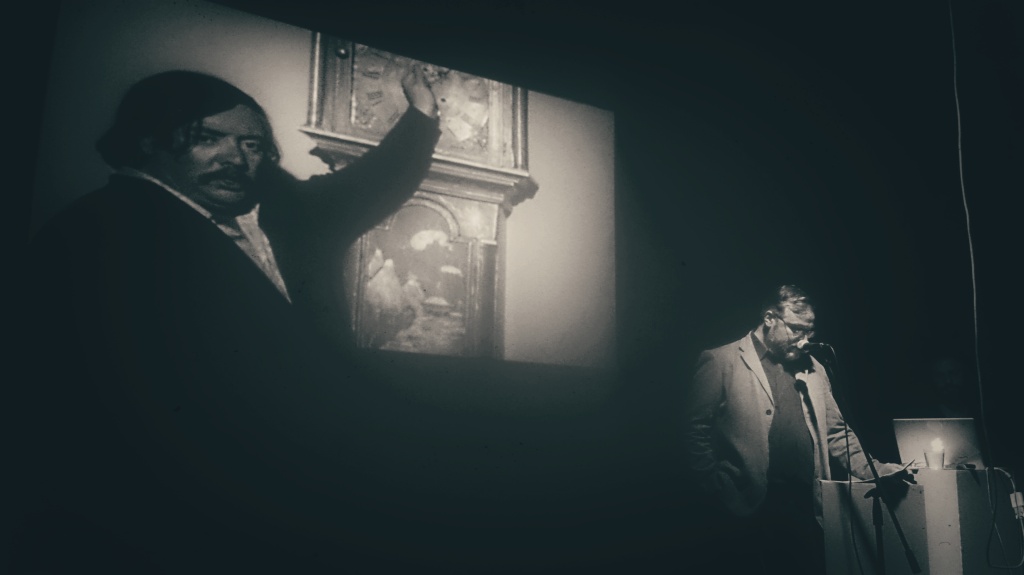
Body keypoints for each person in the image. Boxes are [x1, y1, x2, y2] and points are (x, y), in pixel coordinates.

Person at [14, 67, 441, 573]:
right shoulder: (94, 231)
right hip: (187, 529)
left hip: (317, 509)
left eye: (252, 145)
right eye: (207, 138)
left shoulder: (280, 215)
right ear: (149, 141)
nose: (234, 158)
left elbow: (370, 183)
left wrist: (422, 113)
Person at [682, 284, 909, 575]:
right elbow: (695, 429)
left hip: (805, 507)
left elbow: (836, 432)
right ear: (769, 318)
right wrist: (714, 486)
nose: (804, 340)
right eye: (796, 329)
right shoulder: (721, 360)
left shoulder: (816, 368)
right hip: (745, 506)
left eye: (809, 331)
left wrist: (874, 469)